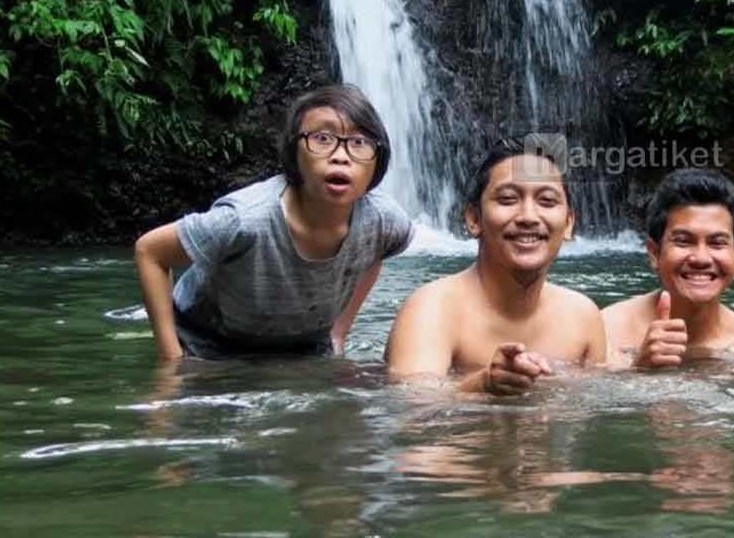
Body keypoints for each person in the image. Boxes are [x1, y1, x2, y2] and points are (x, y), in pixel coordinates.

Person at [134, 84, 413, 361]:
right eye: (323, 138)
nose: (341, 156)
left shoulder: (384, 221)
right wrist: (171, 360)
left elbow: (377, 252)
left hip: (304, 348)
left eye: (359, 142)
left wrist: (339, 334)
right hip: (207, 343)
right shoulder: (245, 219)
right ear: (294, 153)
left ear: (379, 160)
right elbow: (150, 252)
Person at [384, 138, 607, 394]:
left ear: (568, 223)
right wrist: (482, 385)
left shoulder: (582, 316)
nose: (528, 217)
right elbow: (412, 412)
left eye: (546, 201)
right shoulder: (432, 309)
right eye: (508, 199)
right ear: (473, 218)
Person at [603, 168, 734, 367]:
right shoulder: (603, 333)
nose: (701, 258)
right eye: (683, 241)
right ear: (654, 253)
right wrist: (638, 369)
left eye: (717, 243)